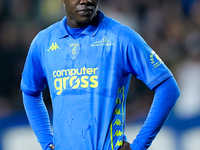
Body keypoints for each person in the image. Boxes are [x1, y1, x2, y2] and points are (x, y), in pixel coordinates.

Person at [20, 0, 180, 150]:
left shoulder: (120, 37)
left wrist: (139, 145)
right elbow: (30, 92)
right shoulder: (44, 42)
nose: (85, 1)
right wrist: (47, 142)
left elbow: (168, 88)